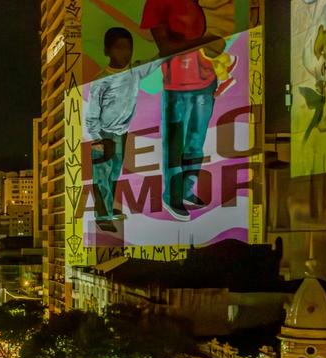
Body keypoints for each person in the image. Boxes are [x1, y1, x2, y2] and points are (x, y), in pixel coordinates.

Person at [140, 0, 233, 222]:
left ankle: (187, 190)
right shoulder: (156, 3)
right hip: (175, 88)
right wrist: (206, 42)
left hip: (205, 81)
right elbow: (165, 48)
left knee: (195, 142)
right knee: (174, 147)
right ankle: (172, 197)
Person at [84, 28, 159, 233]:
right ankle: (102, 216)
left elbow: (158, 60)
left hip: (121, 134)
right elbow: (91, 115)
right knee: (102, 176)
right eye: (119, 48)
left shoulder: (134, 71)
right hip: (103, 136)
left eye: (128, 48)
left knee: (114, 174)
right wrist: (99, 139)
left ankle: (108, 209)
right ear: (107, 51)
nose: (125, 53)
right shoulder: (101, 80)